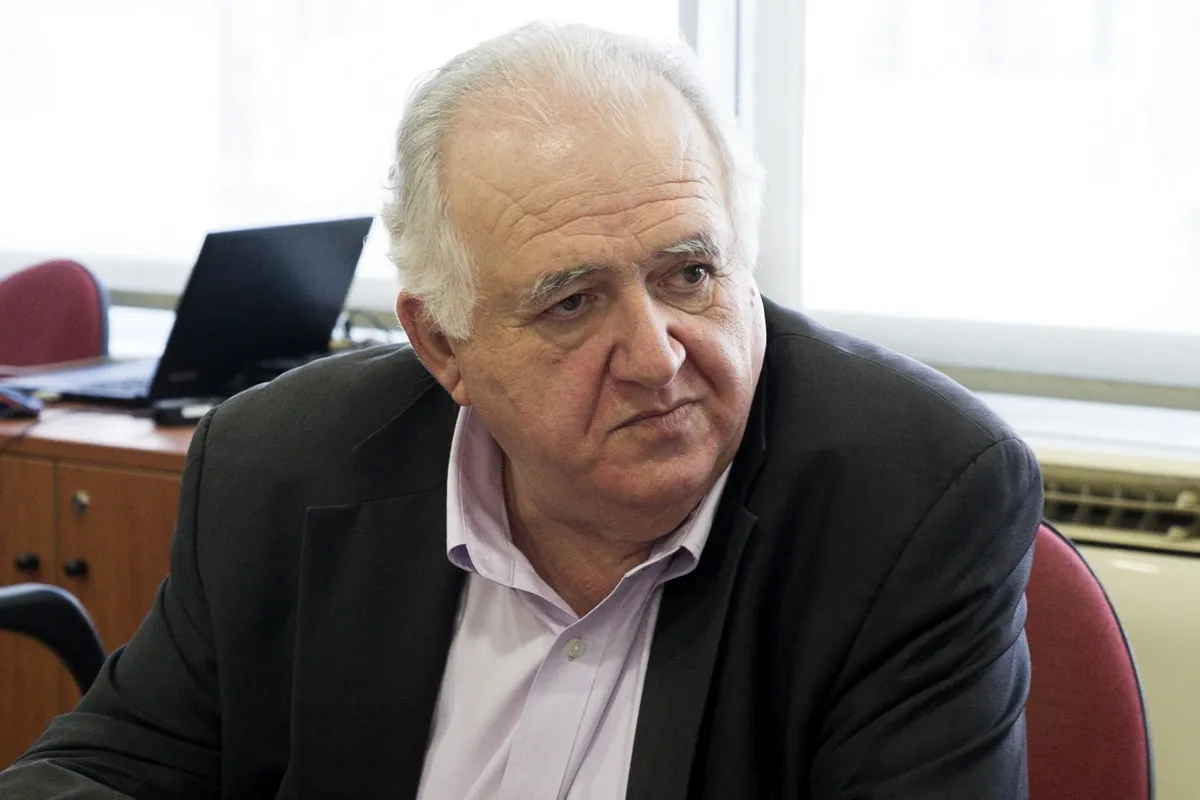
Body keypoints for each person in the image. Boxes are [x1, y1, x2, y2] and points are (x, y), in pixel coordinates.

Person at [0, 21, 1042, 800]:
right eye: (572, 301)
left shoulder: (910, 497)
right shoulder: (282, 464)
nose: (656, 356)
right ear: (443, 345)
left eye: (689, 273)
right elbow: (110, 765)